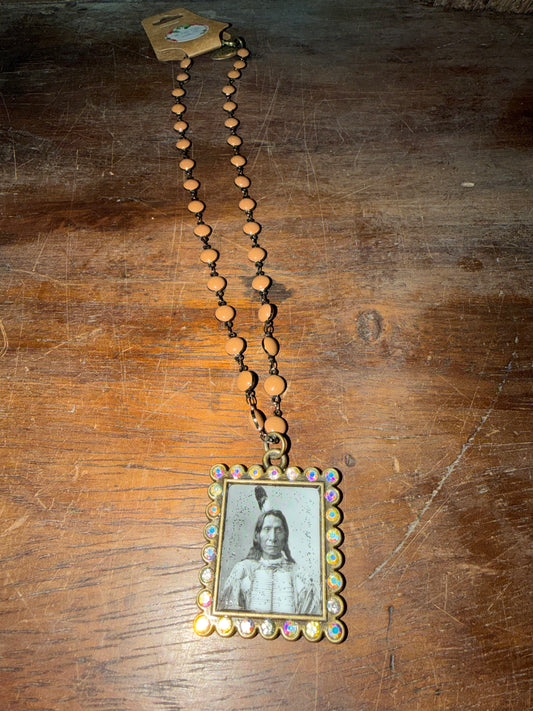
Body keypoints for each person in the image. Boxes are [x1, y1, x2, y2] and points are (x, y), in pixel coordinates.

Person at [218, 508, 321, 615]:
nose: (273, 538)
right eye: (267, 529)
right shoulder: (243, 571)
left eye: (278, 530)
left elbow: (310, 616)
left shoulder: (299, 574)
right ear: (257, 536)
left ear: (285, 536)